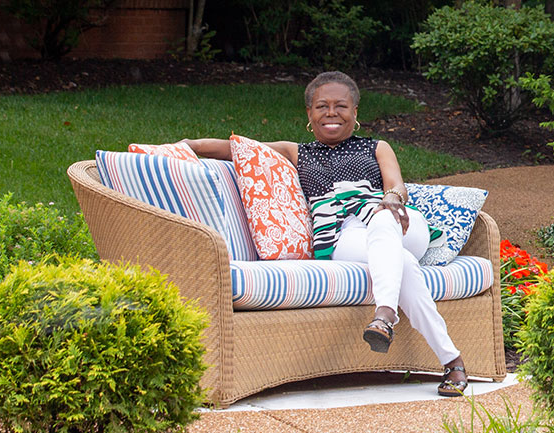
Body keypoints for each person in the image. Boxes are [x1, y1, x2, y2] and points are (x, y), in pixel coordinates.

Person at [186, 71, 467, 397]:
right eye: (322, 106)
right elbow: (235, 149)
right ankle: (452, 361)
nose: (331, 112)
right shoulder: (296, 152)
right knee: (402, 265)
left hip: (400, 223)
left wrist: (390, 199)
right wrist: (184, 145)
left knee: (382, 220)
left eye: (340, 106)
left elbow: (396, 185)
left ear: (355, 112)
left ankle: (385, 315)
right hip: (344, 235)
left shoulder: (377, 147)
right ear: (309, 114)